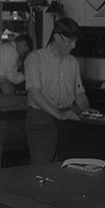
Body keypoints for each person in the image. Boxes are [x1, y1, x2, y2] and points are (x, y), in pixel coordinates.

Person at [23, 17, 90, 164]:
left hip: (68, 119)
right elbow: (34, 94)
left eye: (75, 41)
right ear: (56, 37)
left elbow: (79, 94)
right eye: (70, 41)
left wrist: (88, 112)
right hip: (41, 120)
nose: (73, 45)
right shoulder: (35, 59)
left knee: (69, 168)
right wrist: (59, 114)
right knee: (43, 170)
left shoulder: (72, 62)